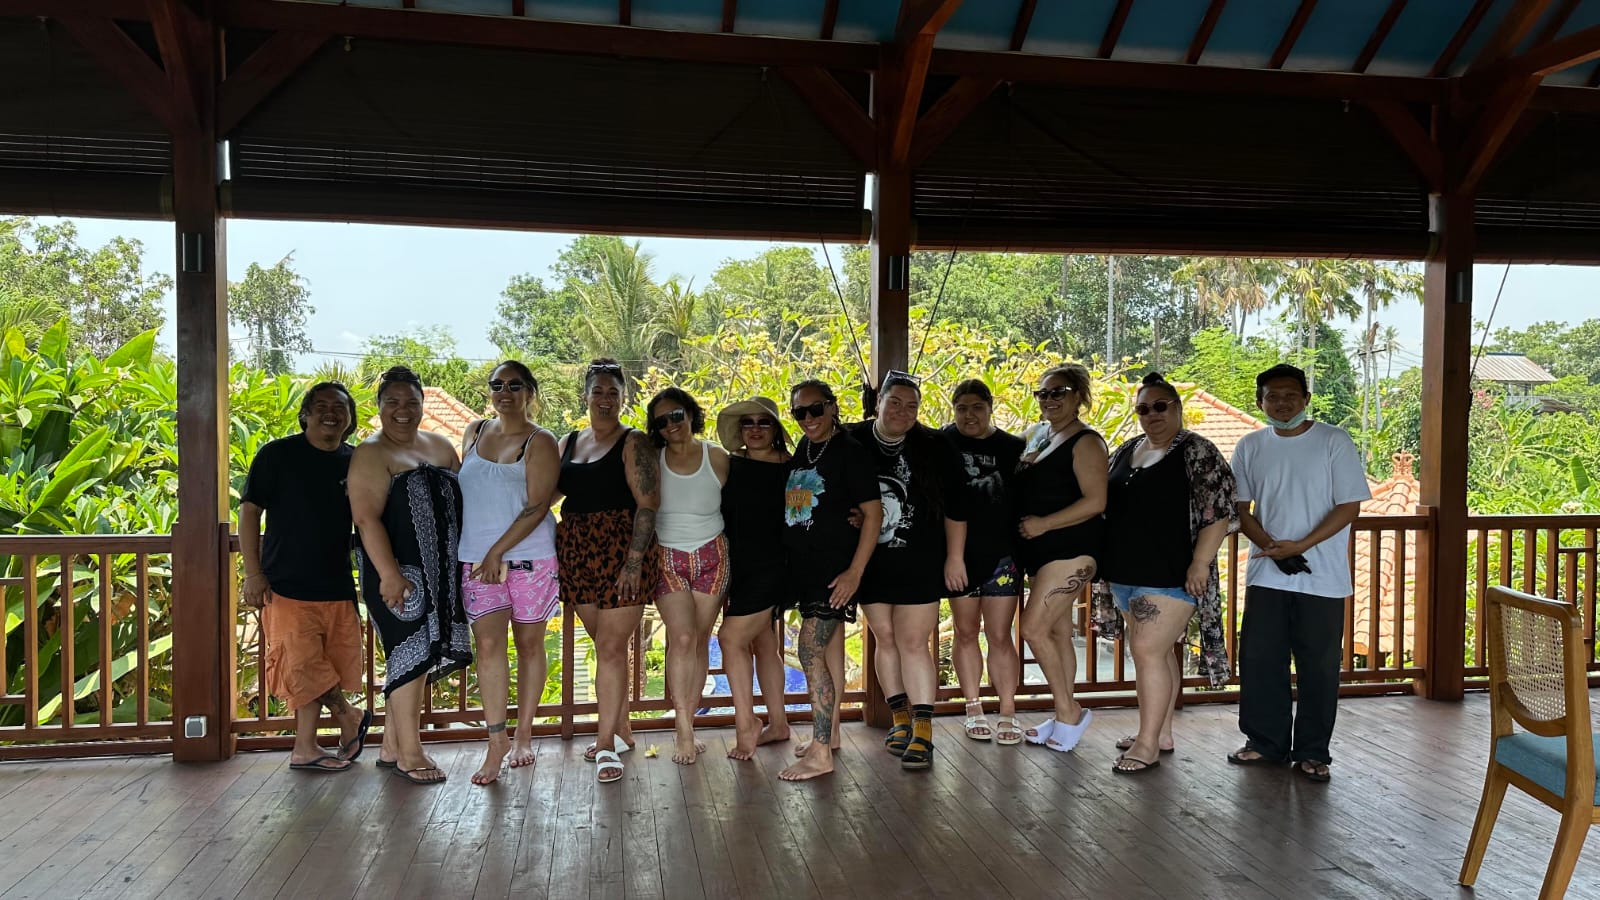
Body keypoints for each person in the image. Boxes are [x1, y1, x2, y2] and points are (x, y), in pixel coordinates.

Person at [1229, 363, 1369, 783]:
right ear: (1260, 402)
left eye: (1291, 394)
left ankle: (1313, 752)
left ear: (1306, 399)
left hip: (1322, 576)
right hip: (1267, 573)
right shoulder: (1251, 445)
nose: (1282, 403)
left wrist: (1300, 546)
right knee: (1260, 660)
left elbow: (1349, 506)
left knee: (1319, 667)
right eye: (1272, 396)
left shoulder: (1333, 441)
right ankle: (1265, 743)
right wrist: (1273, 549)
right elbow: (1239, 509)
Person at [1096, 372, 1236, 774]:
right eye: (1143, 408)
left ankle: (1146, 744)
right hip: (1124, 571)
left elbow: (1219, 512)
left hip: (1172, 573)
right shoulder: (1127, 449)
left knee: (1146, 651)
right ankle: (1162, 732)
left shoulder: (1198, 451)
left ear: (1176, 407)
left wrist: (1200, 563)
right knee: (1156, 653)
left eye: (1160, 406)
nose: (1151, 414)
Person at [348, 366, 472, 785]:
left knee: (419, 656)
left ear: (422, 404)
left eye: (411, 402)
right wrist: (388, 574)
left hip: (439, 573)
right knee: (409, 657)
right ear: (379, 407)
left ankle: (390, 745)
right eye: (392, 402)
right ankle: (410, 753)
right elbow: (366, 519)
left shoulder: (439, 446)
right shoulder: (371, 452)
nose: (402, 410)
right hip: (396, 574)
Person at [239, 381, 371, 773]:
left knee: (323, 664)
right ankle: (339, 722)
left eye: (340, 407)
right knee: (302, 664)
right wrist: (253, 573)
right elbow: (249, 513)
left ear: (349, 419)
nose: (331, 413)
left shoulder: (357, 461)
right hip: (285, 584)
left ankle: (308, 746)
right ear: (305, 415)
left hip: (338, 583)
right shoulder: (276, 455)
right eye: (321, 406)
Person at [850, 371, 969, 771]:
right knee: (884, 637)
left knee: (915, 642)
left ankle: (924, 730)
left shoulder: (935, 444)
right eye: (895, 402)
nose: (903, 411)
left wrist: (955, 558)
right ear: (878, 402)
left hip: (921, 558)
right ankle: (899, 720)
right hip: (869, 560)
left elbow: (957, 508)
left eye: (912, 405)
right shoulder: (851, 440)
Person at [554, 359, 661, 784]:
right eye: (597, 390)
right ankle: (623, 729)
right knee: (604, 645)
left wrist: (634, 561)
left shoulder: (633, 441)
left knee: (613, 649)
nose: (604, 398)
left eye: (612, 392)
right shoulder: (568, 442)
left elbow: (649, 503)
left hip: (622, 550)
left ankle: (604, 745)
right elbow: (549, 493)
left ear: (624, 397)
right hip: (578, 550)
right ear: (586, 395)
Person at [458, 361, 560, 785]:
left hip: (529, 559)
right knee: (487, 646)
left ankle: (523, 734)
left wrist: (498, 551)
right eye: (497, 384)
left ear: (529, 392)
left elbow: (538, 506)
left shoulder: (541, 441)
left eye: (514, 385)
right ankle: (496, 739)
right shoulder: (474, 431)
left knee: (529, 645)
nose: (504, 391)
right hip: (476, 561)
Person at [778, 380, 881, 782]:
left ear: (832, 408)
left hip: (835, 569)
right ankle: (831, 733)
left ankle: (821, 754)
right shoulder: (805, 449)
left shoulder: (850, 453)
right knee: (829, 652)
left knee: (809, 651)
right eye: (799, 413)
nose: (808, 419)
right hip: (806, 567)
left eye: (815, 410)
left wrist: (855, 572)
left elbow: (872, 515)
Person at [1013, 363, 1105, 754]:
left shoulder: (1086, 442)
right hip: (1042, 551)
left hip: (1072, 549)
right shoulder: (1039, 435)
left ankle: (1069, 713)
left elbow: (1097, 501)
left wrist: (1045, 523)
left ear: (1079, 396)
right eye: (1044, 393)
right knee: (1056, 632)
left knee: (1033, 629)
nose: (1050, 399)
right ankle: (1064, 710)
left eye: (1060, 392)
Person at [942, 379, 1026, 747]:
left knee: (999, 635)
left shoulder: (1013, 448)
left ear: (990, 407)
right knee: (964, 631)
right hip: (956, 557)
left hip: (1002, 556)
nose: (969, 415)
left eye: (976, 407)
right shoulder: (941, 442)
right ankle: (973, 707)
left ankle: (1008, 711)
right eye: (961, 408)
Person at [649, 387, 730, 766]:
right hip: (667, 556)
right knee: (680, 637)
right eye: (661, 421)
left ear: (690, 414)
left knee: (699, 640)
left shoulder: (717, 456)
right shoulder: (653, 459)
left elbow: (744, 501)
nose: (670, 426)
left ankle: (690, 723)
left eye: (676, 416)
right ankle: (682, 727)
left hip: (713, 555)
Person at [714, 396, 793, 760]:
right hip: (739, 565)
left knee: (729, 638)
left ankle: (746, 722)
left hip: (776, 564)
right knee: (763, 643)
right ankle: (778, 724)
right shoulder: (731, 465)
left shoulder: (793, 467)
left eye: (764, 422)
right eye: (749, 423)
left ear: (776, 428)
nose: (757, 429)